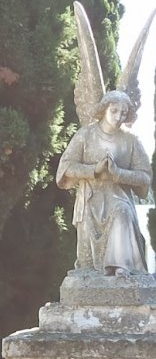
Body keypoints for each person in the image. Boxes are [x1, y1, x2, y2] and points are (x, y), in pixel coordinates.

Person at [57, 90, 152, 276]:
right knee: (86, 265)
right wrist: (94, 170)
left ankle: (120, 268)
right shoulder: (85, 135)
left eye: (123, 113)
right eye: (114, 110)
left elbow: (145, 177)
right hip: (90, 199)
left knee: (122, 211)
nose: (118, 117)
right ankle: (92, 271)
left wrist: (119, 173)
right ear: (104, 109)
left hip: (118, 198)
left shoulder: (131, 141)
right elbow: (65, 168)